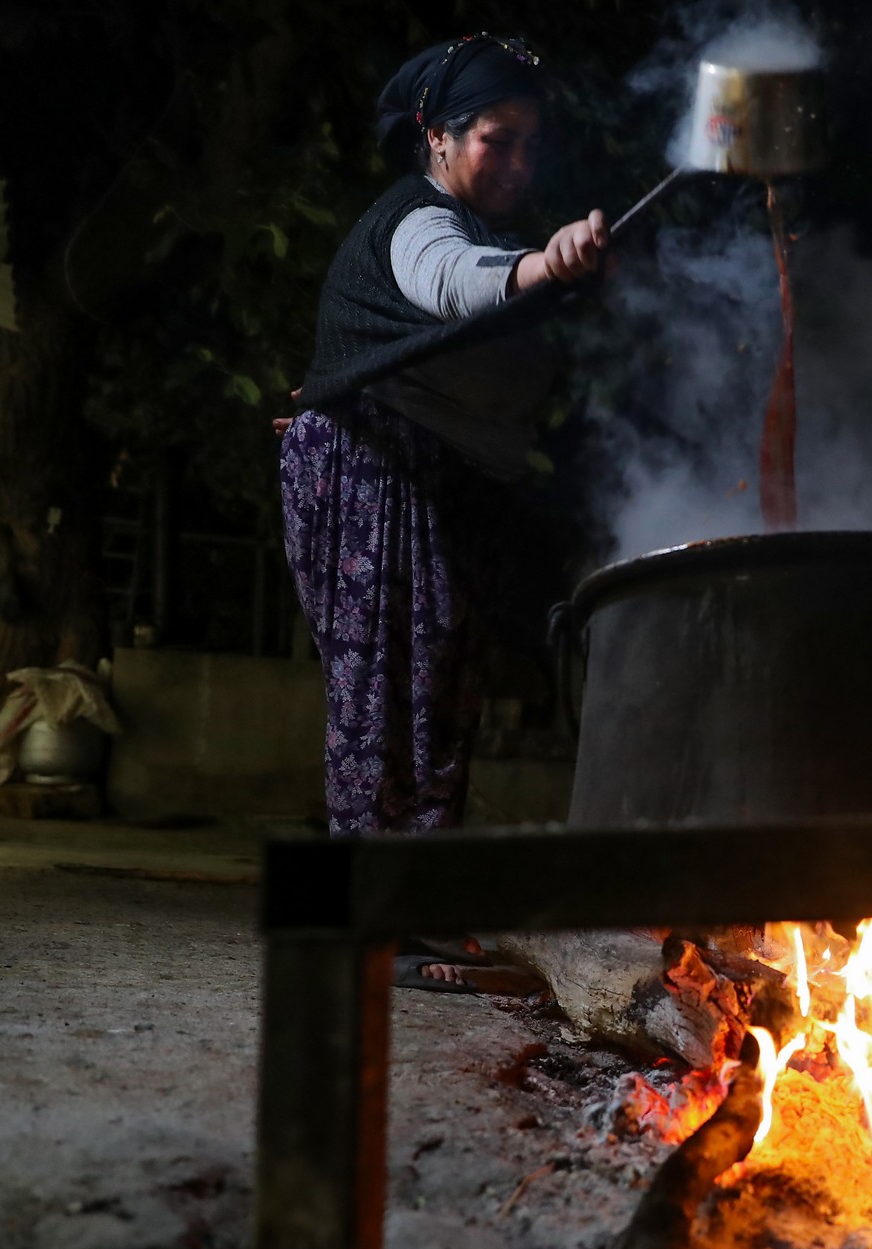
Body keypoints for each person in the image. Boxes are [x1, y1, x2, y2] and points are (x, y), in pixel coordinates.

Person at [278, 35, 605, 987]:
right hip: (374, 471)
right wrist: (547, 263)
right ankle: (364, 919)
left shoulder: (488, 235)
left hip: (435, 482)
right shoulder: (419, 222)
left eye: (528, 147)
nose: (515, 164)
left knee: (435, 699)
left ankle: (412, 908)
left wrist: (561, 271)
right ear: (437, 136)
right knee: (383, 693)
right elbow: (455, 286)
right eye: (495, 141)